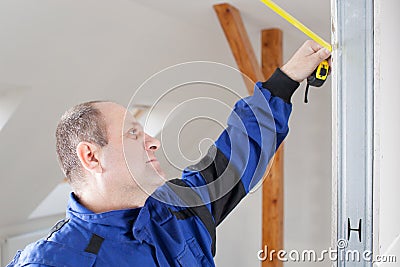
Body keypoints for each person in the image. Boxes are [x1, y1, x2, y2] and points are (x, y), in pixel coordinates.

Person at [7, 40, 330, 267]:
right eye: (133, 133)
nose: (153, 142)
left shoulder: (177, 209)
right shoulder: (54, 261)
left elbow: (236, 155)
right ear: (91, 157)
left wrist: (285, 81)